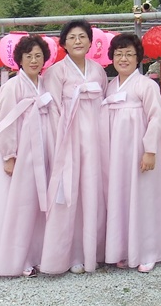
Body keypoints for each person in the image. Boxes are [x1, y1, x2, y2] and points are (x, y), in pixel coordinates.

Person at [102, 32, 161, 273]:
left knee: (145, 198)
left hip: (139, 150)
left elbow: (156, 119)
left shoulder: (146, 85)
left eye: (129, 54)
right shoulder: (110, 86)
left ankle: (150, 250)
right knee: (122, 198)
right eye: (119, 54)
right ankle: (125, 249)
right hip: (118, 154)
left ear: (138, 58)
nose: (123, 59)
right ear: (112, 57)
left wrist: (150, 150)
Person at [0, 35, 54, 278]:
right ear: (20, 59)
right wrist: (9, 155)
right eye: (29, 56)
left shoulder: (44, 84)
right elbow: (6, 123)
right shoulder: (13, 87)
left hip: (41, 149)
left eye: (38, 56)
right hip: (20, 153)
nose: (34, 60)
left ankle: (35, 254)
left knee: (36, 206)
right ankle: (15, 259)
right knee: (17, 205)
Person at [39, 19, 109, 275]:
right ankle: (71, 254)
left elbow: (104, 104)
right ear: (64, 44)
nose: (78, 41)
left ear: (90, 42)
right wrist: (59, 144)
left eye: (82, 36)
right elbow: (53, 109)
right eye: (72, 37)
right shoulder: (56, 72)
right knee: (70, 195)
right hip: (69, 139)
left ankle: (96, 251)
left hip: (96, 140)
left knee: (94, 191)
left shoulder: (98, 71)